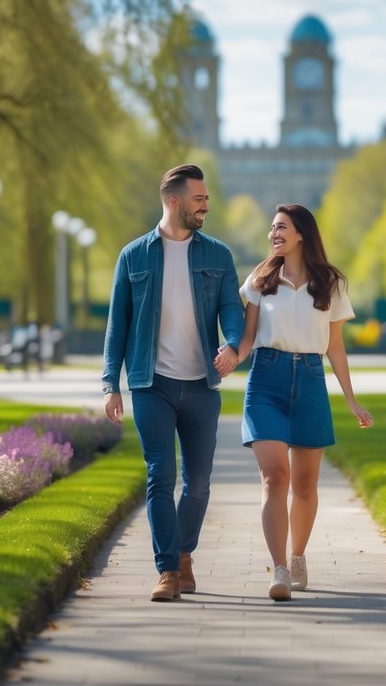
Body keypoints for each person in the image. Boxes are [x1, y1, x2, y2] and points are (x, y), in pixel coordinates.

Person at [101, 164, 244, 602]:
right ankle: (166, 571)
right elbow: (117, 325)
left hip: (201, 385)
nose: (206, 205)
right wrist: (111, 382)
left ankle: (183, 554)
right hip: (151, 384)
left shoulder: (217, 255)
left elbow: (231, 310)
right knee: (160, 474)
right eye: (199, 199)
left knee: (198, 483)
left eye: (206, 199)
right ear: (174, 201)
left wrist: (234, 345)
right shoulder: (134, 256)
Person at [222, 204, 374, 602]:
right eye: (272, 228)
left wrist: (352, 400)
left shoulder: (331, 284)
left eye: (281, 228)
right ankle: (280, 569)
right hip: (265, 383)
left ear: (302, 233)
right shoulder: (260, 278)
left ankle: (299, 555)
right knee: (275, 477)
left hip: (309, 383)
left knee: (305, 484)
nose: (274, 234)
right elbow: (248, 337)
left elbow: (336, 348)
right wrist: (228, 358)